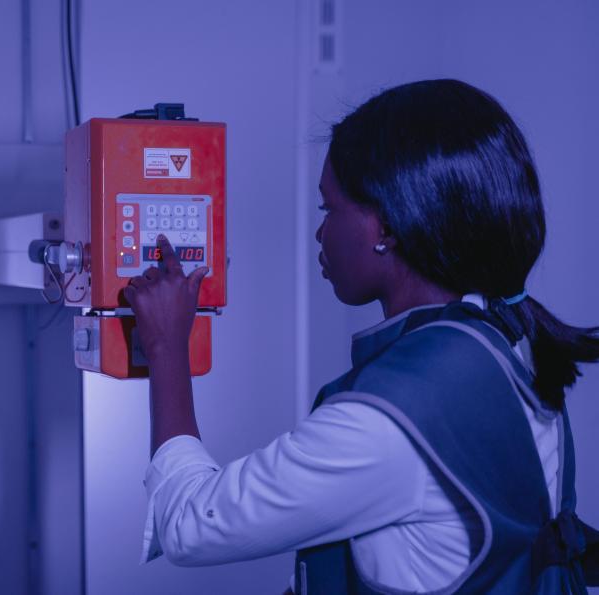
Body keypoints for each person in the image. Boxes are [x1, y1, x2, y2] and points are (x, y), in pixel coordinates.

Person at [122, 79, 599, 594]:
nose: (320, 233)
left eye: (329, 209)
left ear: (388, 227)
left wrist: (167, 348)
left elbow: (190, 525)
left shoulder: (390, 419)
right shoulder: (511, 346)